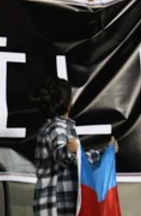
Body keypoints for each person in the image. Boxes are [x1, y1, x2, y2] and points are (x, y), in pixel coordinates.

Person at [30, 76, 115, 216]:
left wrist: (104, 152)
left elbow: (78, 160)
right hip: (57, 207)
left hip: (58, 205)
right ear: (70, 104)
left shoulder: (56, 127)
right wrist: (69, 150)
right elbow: (62, 156)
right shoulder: (57, 127)